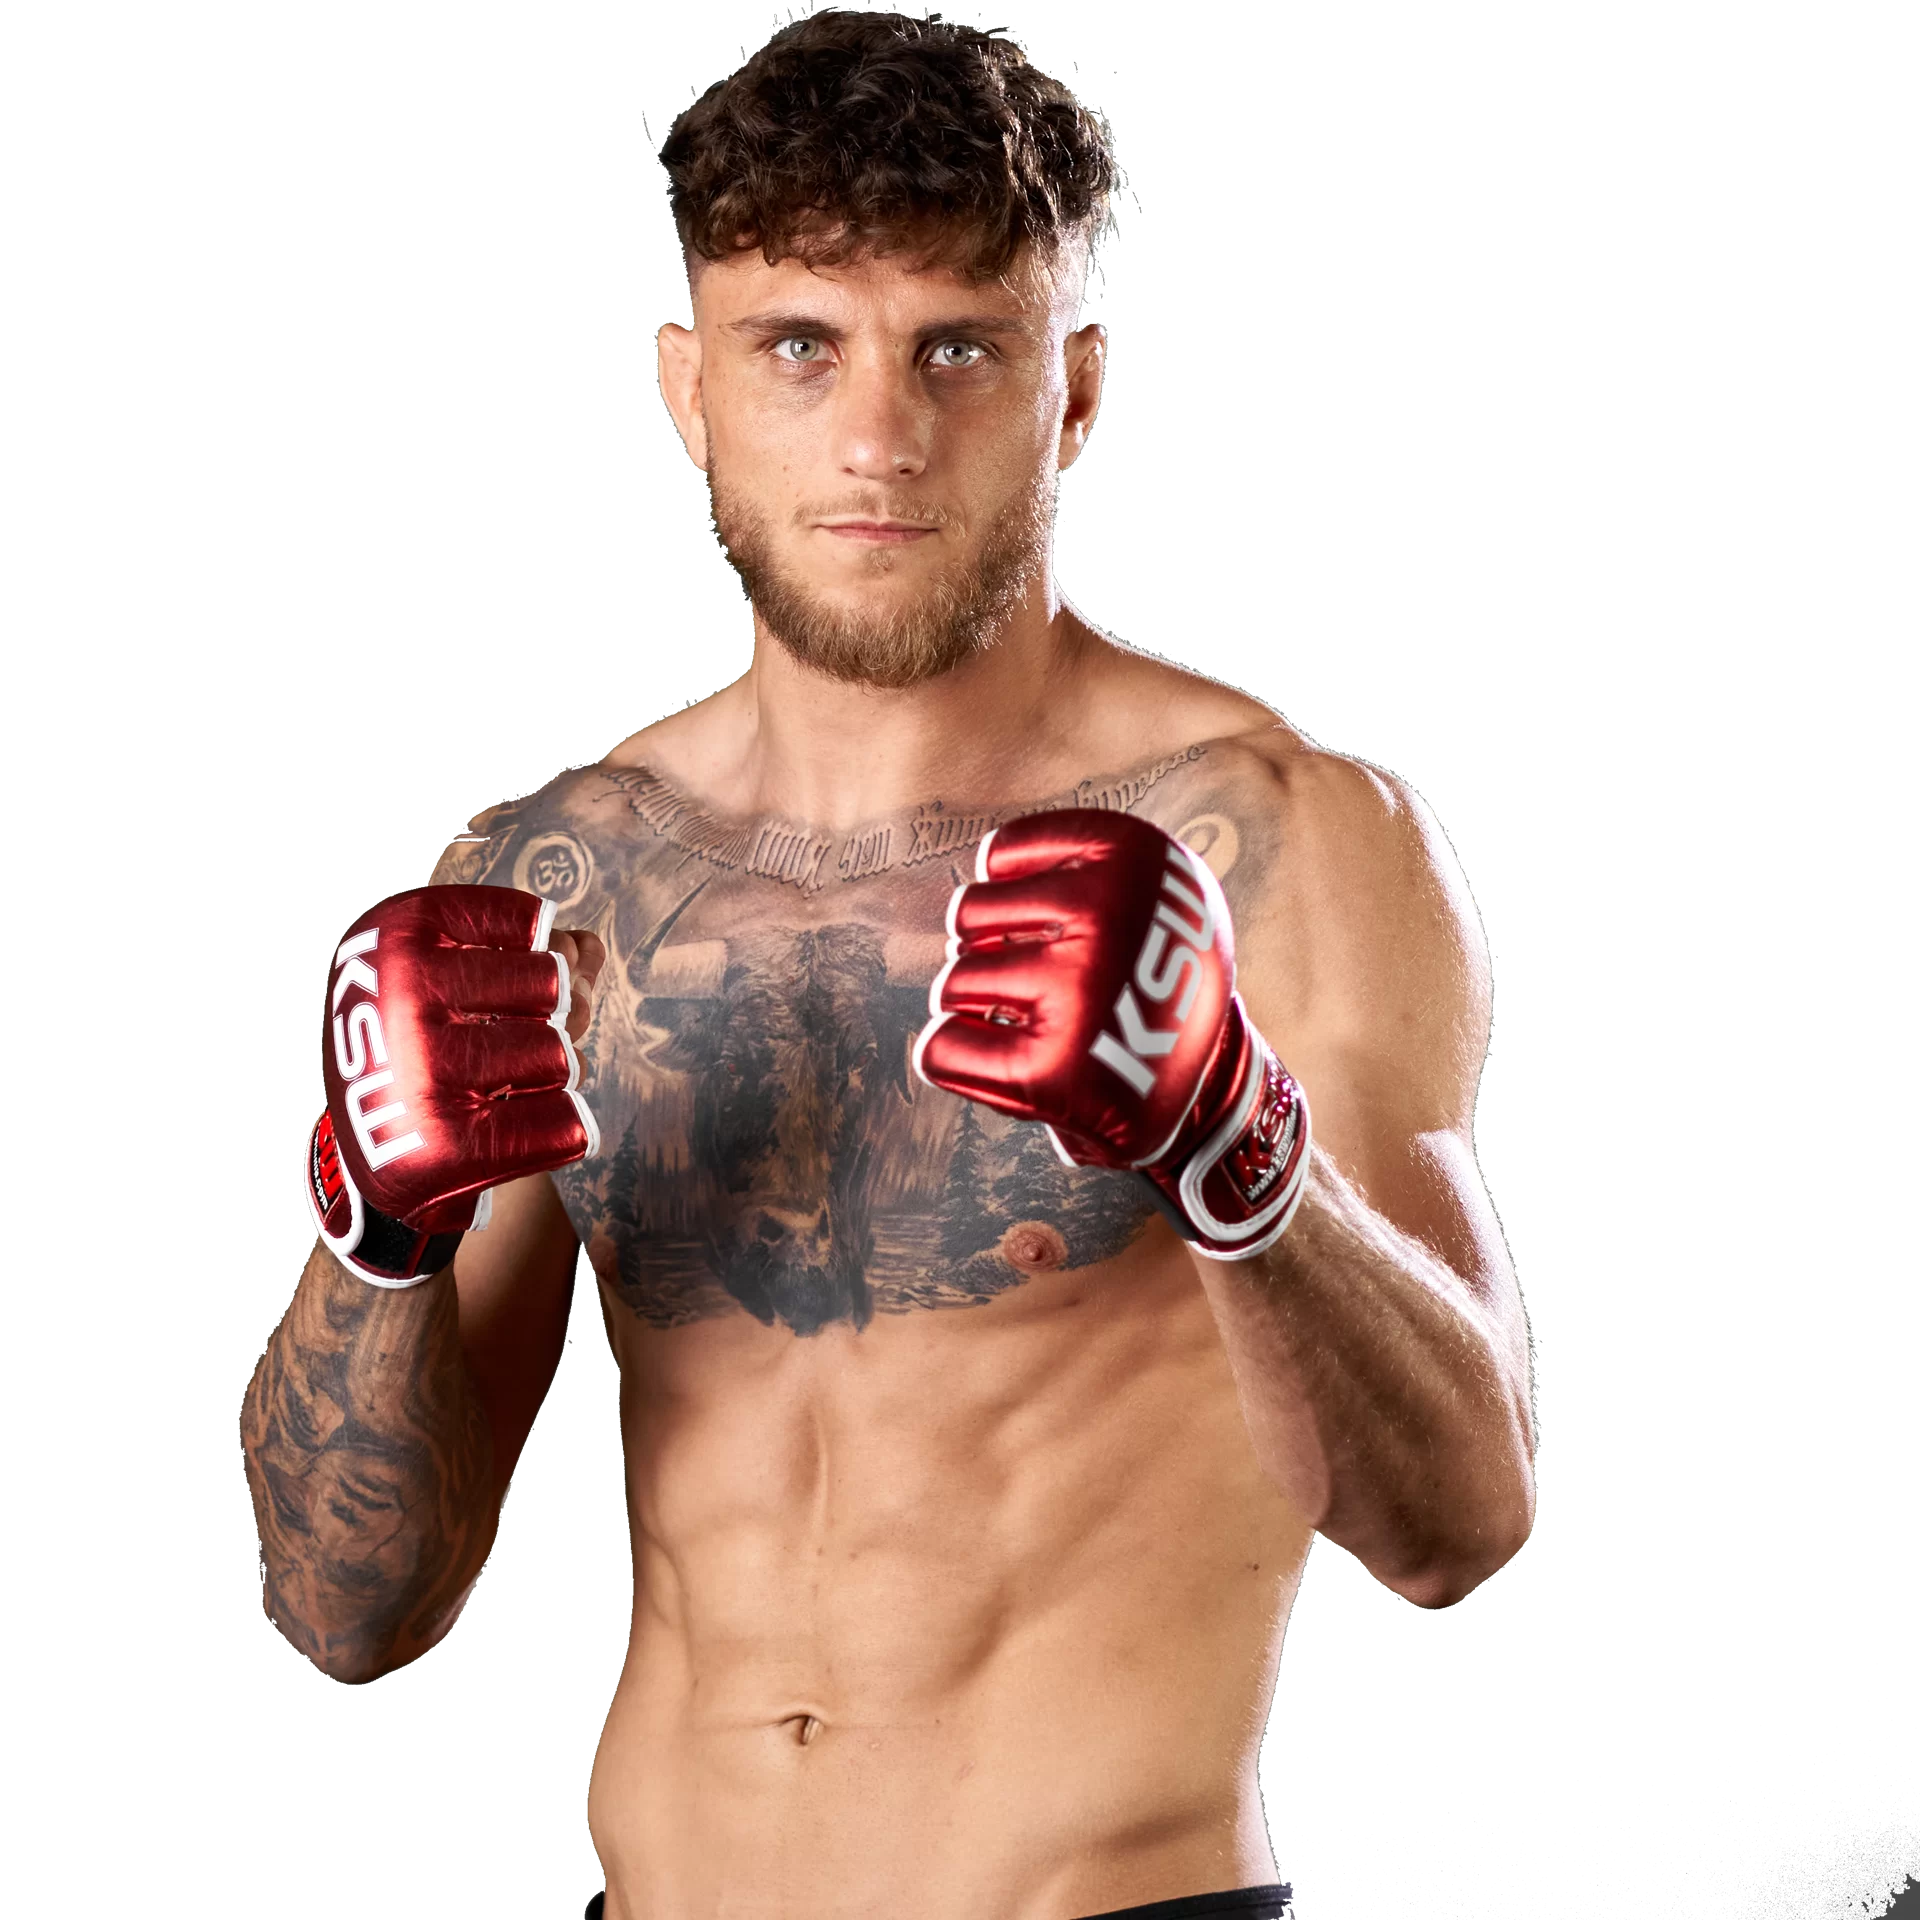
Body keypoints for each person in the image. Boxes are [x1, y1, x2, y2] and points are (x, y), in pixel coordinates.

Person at [241, 13, 1533, 1918]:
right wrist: (373, 1241)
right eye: (798, 346)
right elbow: (347, 1613)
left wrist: (1236, 1147)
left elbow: (1457, 1527)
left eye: (957, 348)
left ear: (1072, 386)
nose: (876, 439)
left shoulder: (1282, 841)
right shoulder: (552, 879)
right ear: (688, 388)